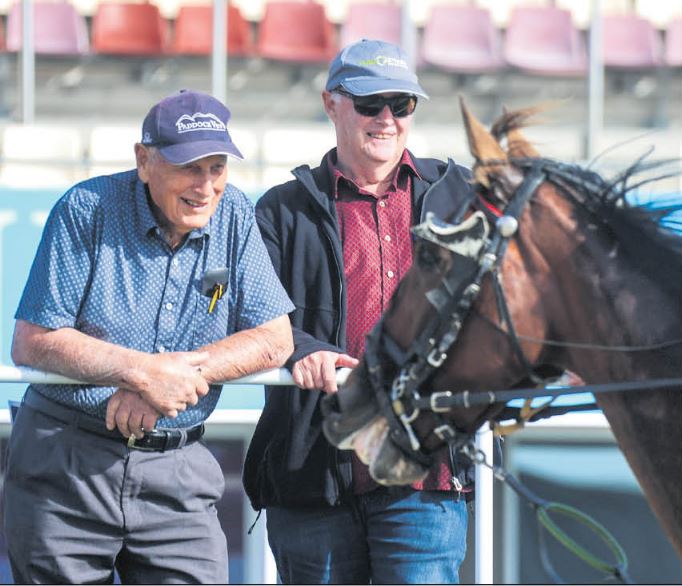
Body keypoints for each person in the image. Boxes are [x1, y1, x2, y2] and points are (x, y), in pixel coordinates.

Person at [5, 89, 295, 584]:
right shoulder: (86, 208)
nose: (206, 186)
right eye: (189, 167)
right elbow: (33, 339)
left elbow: (275, 338)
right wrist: (142, 371)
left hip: (177, 470)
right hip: (66, 465)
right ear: (144, 161)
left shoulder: (235, 216)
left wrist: (163, 385)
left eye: (217, 168)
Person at [243, 39, 476, 584]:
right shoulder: (280, 209)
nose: (388, 119)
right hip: (312, 474)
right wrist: (303, 349)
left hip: (427, 473)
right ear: (331, 104)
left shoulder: (457, 194)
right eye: (371, 104)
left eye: (402, 104)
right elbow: (250, 316)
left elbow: (498, 302)